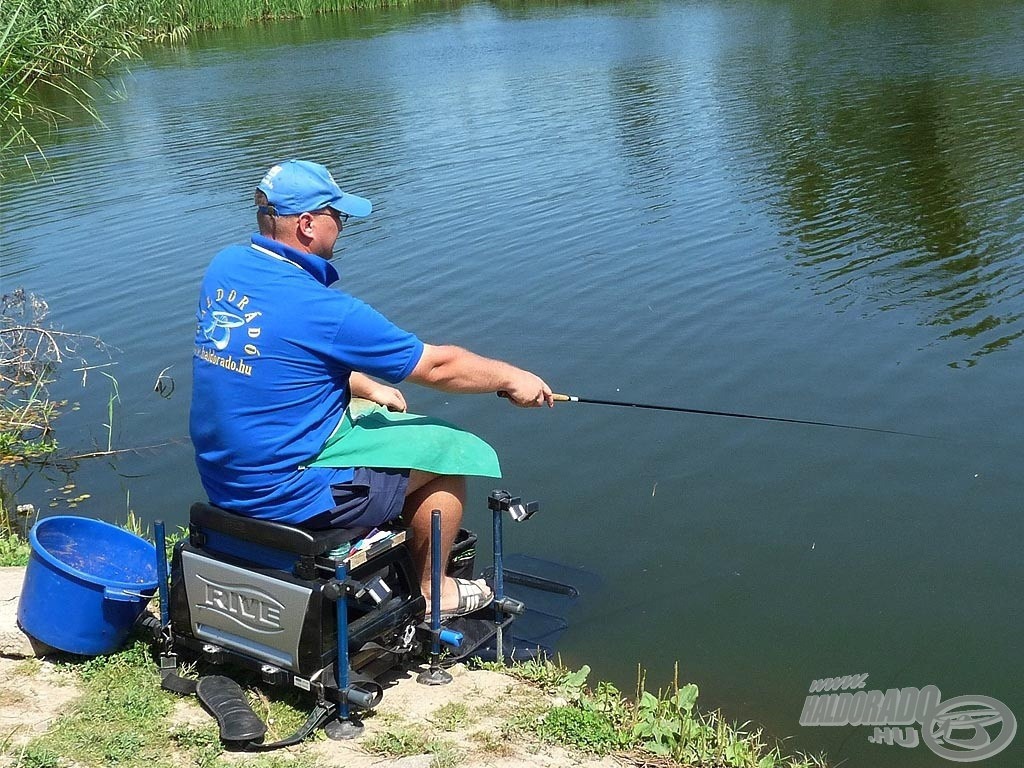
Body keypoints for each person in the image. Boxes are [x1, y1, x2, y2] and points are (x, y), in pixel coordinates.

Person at [190, 159, 553, 618]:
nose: (341, 227)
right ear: (306, 225)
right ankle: (435, 590)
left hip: (226, 478)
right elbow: (439, 367)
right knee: (448, 452)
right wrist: (513, 378)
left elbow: (269, 356)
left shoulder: (226, 268)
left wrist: (359, 380)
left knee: (380, 416)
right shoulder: (326, 310)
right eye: (336, 217)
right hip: (288, 495)